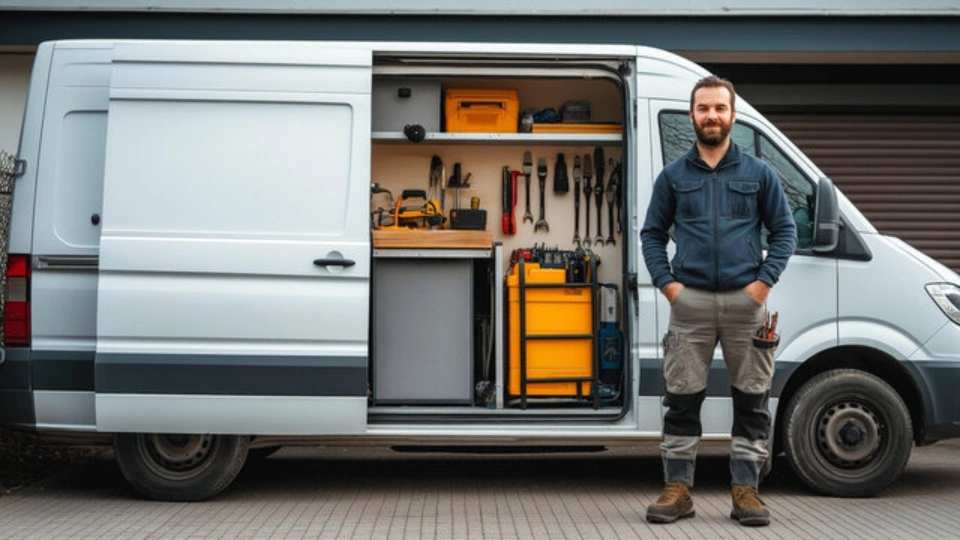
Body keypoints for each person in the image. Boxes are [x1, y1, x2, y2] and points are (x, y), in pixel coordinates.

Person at [640, 75, 796, 527]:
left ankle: (746, 490)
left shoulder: (759, 174)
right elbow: (652, 234)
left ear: (733, 115)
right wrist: (669, 286)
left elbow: (784, 231)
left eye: (719, 108)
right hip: (689, 306)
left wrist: (763, 283)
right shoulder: (673, 177)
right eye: (703, 108)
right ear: (692, 115)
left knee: (752, 399)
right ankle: (678, 490)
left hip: (747, 305)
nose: (712, 115)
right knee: (682, 400)